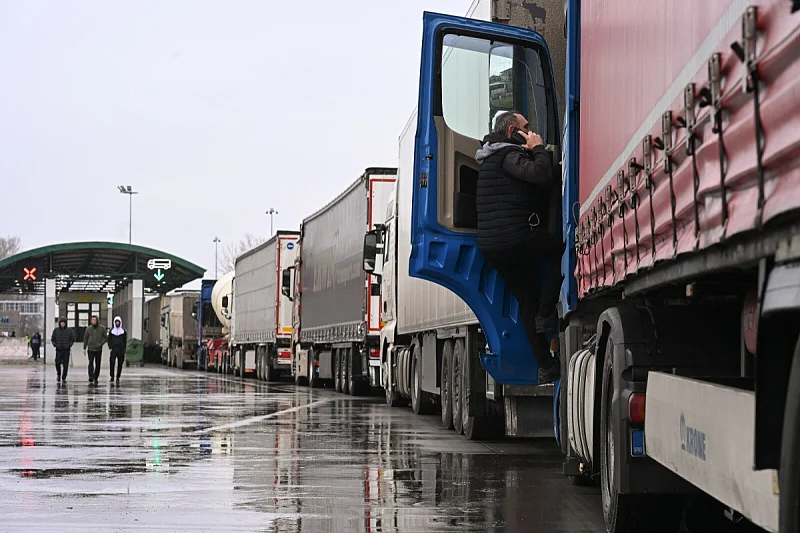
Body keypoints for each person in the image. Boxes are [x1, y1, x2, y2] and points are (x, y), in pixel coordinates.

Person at [475, 110, 564, 384]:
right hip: (514, 239)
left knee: (526, 298)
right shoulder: (508, 154)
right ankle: (546, 313)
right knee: (560, 251)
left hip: (493, 248)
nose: (532, 130)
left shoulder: (490, 156)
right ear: (514, 132)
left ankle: (546, 365)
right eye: (527, 127)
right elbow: (539, 174)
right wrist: (538, 148)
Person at [83, 315, 107, 384]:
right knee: (90, 362)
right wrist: (84, 347)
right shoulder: (88, 329)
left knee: (98, 363)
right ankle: (90, 376)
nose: (93, 321)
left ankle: (96, 376)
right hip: (90, 348)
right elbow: (85, 338)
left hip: (98, 349)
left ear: (97, 321)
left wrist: (101, 343)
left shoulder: (102, 328)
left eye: (95, 320)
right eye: (92, 320)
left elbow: (105, 337)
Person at [51, 318, 75, 382]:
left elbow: (73, 338)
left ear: (66, 323)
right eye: (61, 322)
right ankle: (58, 374)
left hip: (66, 350)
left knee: (65, 365)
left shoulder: (69, 330)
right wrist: (55, 345)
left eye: (64, 322)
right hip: (58, 350)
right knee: (57, 363)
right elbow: (53, 338)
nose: (63, 324)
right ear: (60, 323)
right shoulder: (56, 330)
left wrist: (69, 345)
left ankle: (64, 377)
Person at [107, 316, 127, 383]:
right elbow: (109, 340)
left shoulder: (123, 331)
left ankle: (118, 376)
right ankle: (112, 376)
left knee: (120, 363)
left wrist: (124, 350)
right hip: (113, 349)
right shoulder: (111, 331)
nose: (117, 323)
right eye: (116, 322)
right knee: (112, 363)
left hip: (121, 349)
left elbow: (125, 341)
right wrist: (110, 347)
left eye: (118, 322)